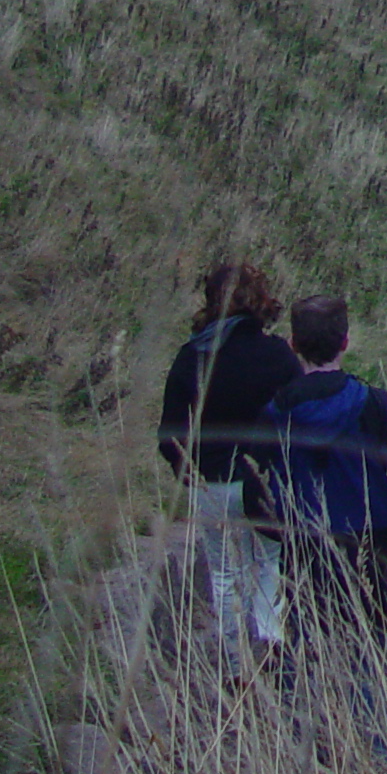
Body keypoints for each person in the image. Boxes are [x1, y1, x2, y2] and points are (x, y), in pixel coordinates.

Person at [254, 294, 387, 730]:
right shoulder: (376, 406)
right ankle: (374, 760)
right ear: (346, 342)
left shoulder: (275, 414)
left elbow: (257, 488)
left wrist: (275, 533)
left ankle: (298, 758)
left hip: (307, 553)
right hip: (376, 553)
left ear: (293, 343)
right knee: (367, 660)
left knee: (304, 651)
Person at [156, 260, 303, 682]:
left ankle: (235, 665)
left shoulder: (192, 356)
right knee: (270, 563)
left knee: (224, 572)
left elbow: (171, 432)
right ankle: (272, 648)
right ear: (260, 301)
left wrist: (188, 471)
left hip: (213, 480)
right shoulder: (278, 355)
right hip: (267, 479)